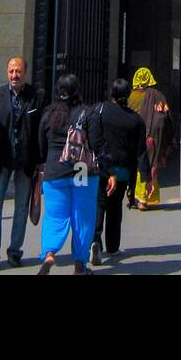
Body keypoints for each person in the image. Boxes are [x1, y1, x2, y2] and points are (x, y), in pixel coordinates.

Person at [36, 73, 106, 275]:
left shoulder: (48, 114)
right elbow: (95, 143)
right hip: (80, 170)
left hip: (54, 170)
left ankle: (49, 253)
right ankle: (79, 266)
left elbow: (41, 145)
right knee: (82, 218)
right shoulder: (86, 113)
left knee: (54, 216)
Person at [0, 55, 41, 272]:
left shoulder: (35, 97)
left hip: (24, 160)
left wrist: (40, 162)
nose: (15, 75)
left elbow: (40, 131)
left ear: (25, 73)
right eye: (11, 71)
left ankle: (15, 250)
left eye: (18, 71)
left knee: (21, 206)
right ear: (7, 73)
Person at [92, 77, 147, 266]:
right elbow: (140, 151)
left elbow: (94, 139)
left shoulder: (100, 112)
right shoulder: (135, 120)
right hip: (122, 169)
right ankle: (113, 246)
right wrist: (145, 178)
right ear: (128, 95)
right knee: (115, 207)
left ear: (112, 94)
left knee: (99, 203)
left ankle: (95, 240)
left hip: (101, 167)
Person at [128, 67, 173, 210]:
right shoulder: (157, 95)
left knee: (135, 167)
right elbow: (165, 117)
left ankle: (134, 197)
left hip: (133, 137)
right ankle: (144, 199)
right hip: (151, 138)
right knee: (149, 165)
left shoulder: (131, 96)